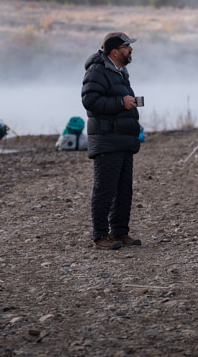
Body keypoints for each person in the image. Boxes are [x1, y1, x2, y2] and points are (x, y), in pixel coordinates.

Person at [82, 31, 142, 250]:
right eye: (127, 46)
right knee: (105, 190)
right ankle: (100, 236)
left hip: (123, 139)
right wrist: (120, 102)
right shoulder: (98, 69)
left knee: (124, 189)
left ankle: (120, 232)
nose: (131, 49)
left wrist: (128, 104)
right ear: (115, 51)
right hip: (107, 140)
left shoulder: (120, 71)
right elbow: (90, 100)